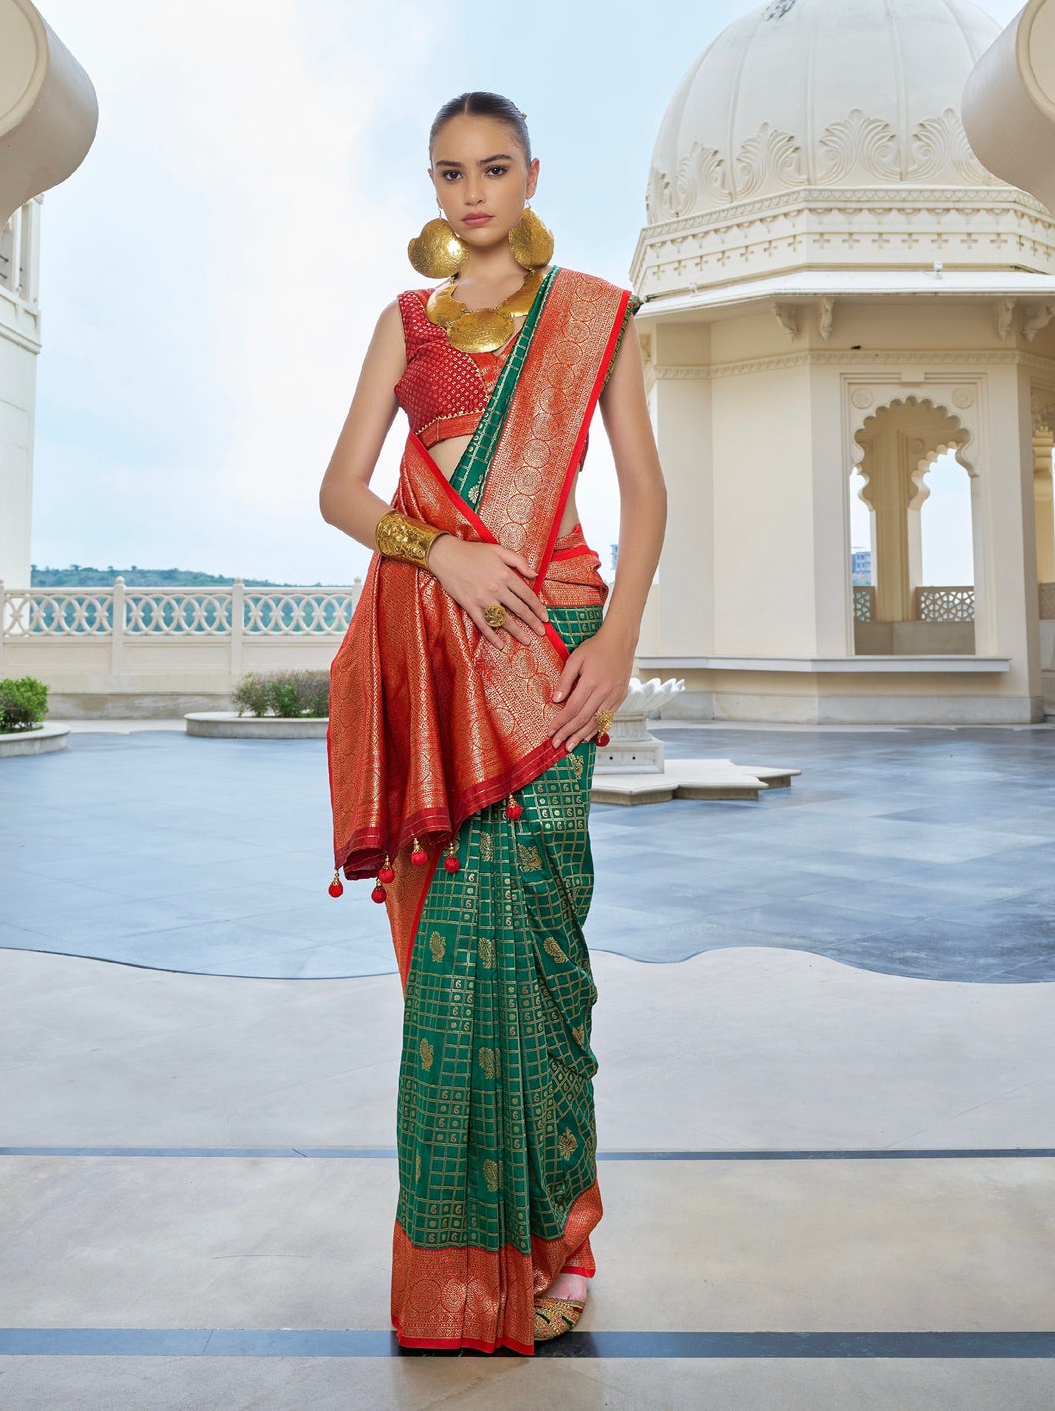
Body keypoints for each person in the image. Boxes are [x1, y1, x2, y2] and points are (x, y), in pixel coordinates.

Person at [318, 90, 667, 1354]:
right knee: (451, 976)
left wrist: (617, 645)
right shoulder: (403, 324)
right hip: (433, 654)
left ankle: (559, 1244)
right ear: (432, 184)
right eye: (449, 172)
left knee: (546, 960)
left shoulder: (593, 320)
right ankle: (464, 1272)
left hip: (551, 652)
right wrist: (442, 556)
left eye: (494, 169)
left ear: (530, 175)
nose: (471, 193)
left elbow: (644, 491)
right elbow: (339, 492)